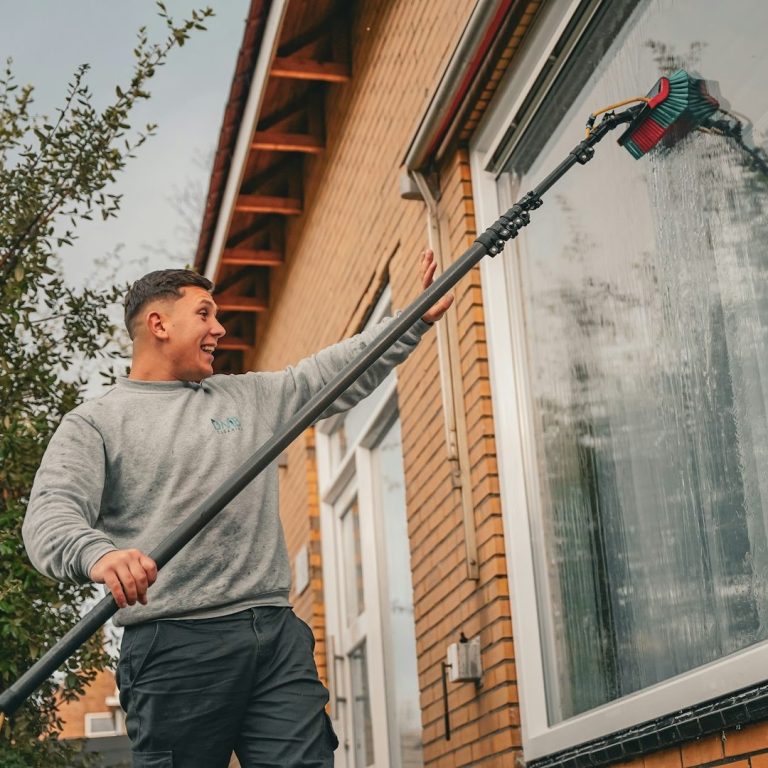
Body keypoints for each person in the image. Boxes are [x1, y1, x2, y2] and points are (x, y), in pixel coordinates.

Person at [22, 250, 452, 768]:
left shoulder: (245, 399)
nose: (219, 328)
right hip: (174, 646)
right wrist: (100, 556)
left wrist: (413, 319)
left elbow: (329, 375)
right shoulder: (96, 423)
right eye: (204, 313)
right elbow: (49, 518)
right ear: (158, 323)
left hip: (274, 634)